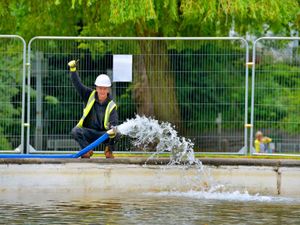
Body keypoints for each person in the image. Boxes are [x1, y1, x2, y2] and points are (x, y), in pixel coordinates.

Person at [68, 60, 118, 158]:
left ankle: (109, 150)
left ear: (108, 89)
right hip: (89, 132)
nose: (102, 91)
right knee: (75, 131)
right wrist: (73, 70)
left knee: (117, 133)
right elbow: (78, 84)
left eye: (105, 88)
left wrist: (112, 129)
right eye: (100, 88)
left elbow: (114, 122)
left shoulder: (111, 105)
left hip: (104, 135)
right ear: (96, 88)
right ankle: (87, 150)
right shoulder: (89, 95)